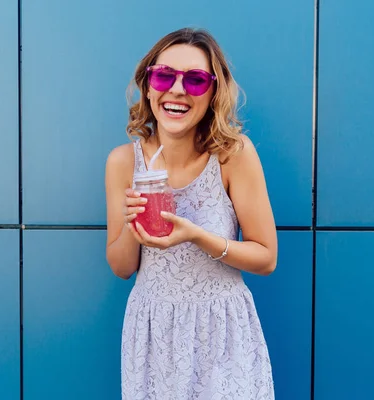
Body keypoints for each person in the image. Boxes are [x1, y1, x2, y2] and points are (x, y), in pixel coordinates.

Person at [105, 27, 277, 399]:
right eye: (164, 76)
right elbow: (121, 268)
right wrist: (134, 226)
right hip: (153, 333)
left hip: (222, 333)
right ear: (149, 85)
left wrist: (196, 235)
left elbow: (266, 258)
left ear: (213, 92)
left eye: (196, 81)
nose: (178, 90)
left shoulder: (234, 155)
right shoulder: (123, 162)